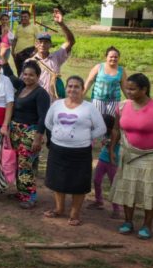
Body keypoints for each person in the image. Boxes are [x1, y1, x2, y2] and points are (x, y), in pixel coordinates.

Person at [110, 73, 153, 240]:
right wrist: (111, 148)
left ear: (144, 89)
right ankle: (128, 221)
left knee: (150, 189)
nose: (128, 92)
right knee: (128, 187)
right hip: (128, 153)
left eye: (132, 89)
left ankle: (147, 225)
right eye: (127, 88)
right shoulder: (122, 107)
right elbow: (116, 129)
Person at [43, 76, 106, 226]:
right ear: (66, 88)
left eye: (76, 86)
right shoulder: (57, 104)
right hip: (57, 148)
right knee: (57, 179)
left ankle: (75, 213)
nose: (72, 89)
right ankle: (59, 209)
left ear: (83, 89)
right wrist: (60, 135)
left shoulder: (89, 107)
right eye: (70, 86)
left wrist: (85, 137)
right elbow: (48, 122)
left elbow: (101, 128)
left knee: (78, 182)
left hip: (80, 151)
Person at [7, 61, 50, 208]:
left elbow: (43, 117)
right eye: (25, 74)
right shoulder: (21, 88)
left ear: (38, 76)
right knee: (18, 163)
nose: (28, 77)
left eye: (31, 75)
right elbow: (9, 73)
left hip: (30, 132)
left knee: (26, 164)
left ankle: (30, 197)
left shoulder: (41, 93)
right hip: (15, 131)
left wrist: (38, 138)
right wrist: (2, 54)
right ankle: (21, 192)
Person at [27, 9, 75, 102]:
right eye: (40, 42)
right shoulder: (29, 62)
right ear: (36, 44)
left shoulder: (56, 57)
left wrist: (61, 24)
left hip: (53, 100)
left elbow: (71, 41)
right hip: (36, 101)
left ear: (50, 45)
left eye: (46, 42)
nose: (42, 45)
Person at [84, 46, 126, 116]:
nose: (113, 59)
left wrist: (133, 101)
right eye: (111, 57)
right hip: (97, 100)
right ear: (106, 57)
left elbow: (125, 87)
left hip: (114, 101)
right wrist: (81, 96)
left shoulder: (121, 70)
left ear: (119, 58)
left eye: (116, 57)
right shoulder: (98, 67)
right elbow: (89, 81)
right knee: (97, 120)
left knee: (111, 122)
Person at [12, 10, 39, 75]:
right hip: (18, 53)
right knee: (19, 71)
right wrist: (12, 51)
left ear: (29, 17)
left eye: (25, 17)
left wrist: (35, 52)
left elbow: (38, 41)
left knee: (27, 72)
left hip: (29, 53)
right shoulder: (18, 27)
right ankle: (20, 85)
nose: (23, 18)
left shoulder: (34, 27)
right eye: (22, 17)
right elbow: (15, 40)